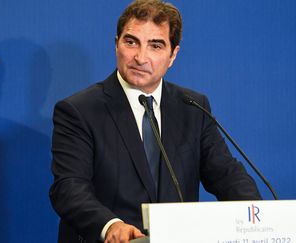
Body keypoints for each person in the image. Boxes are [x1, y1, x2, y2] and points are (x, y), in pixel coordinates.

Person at [49, 0, 262, 242]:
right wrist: (110, 225)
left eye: (156, 46)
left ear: (173, 55)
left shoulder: (192, 106)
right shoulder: (79, 110)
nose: (141, 57)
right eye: (131, 42)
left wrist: (259, 217)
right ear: (116, 43)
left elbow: (226, 175)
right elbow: (69, 188)